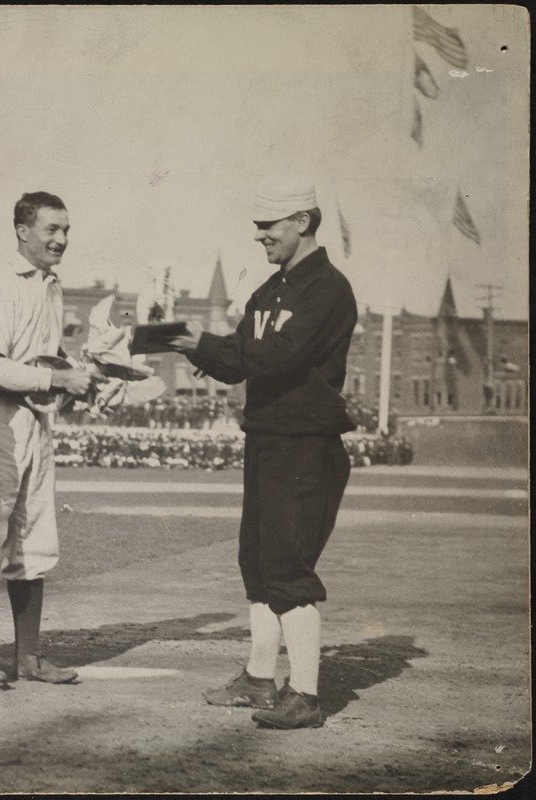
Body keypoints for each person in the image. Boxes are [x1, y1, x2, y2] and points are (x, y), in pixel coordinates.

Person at [167, 178, 357, 729]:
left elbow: (277, 355)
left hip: (305, 444)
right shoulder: (269, 291)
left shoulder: (328, 289)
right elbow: (237, 362)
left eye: (267, 226)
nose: (259, 237)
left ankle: (306, 695)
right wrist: (181, 341)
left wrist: (204, 343)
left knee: (287, 565)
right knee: (256, 560)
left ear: (301, 222)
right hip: (268, 439)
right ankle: (257, 679)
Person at [0, 191, 92, 688]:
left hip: (34, 421)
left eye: (67, 230)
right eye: (52, 229)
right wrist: (57, 382)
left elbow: (41, 361)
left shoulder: (51, 285)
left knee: (34, 538)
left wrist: (80, 382)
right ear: (22, 230)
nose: (62, 239)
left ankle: (27, 658)